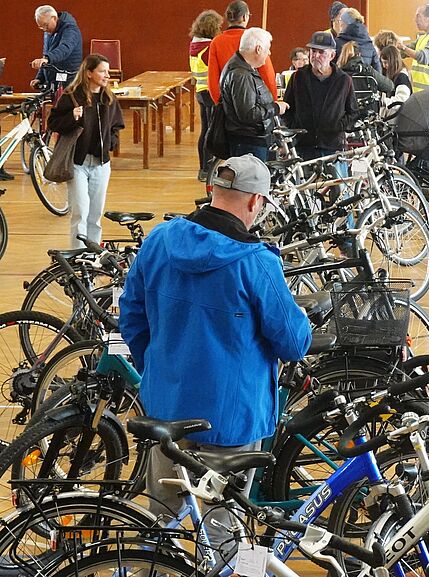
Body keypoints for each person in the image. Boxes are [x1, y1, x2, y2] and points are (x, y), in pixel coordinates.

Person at [119, 154, 312, 559]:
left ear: (213, 191)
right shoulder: (256, 262)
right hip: (231, 420)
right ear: (256, 202)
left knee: (163, 522)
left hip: (165, 411)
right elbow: (293, 343)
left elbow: (132, 317)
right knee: (227, 530)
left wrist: (156, 368)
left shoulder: (159, 240)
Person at [47, 54, 124, 248]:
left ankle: (93, 255)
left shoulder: (109, 98)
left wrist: (111, 143)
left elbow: (117, 125)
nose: (107, 75)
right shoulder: (71, 96)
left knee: (95, 214)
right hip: (77, 163)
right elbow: (53, 123)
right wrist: (71, 117)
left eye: (108, 71)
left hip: (101, 164)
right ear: (89, 73)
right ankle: (78, 257)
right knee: (81, 211)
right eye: (102, 71)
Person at [283, 31, 359, 162]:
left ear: (332, 55)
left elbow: (353, 112)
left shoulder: (343, 80)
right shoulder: (298, 77)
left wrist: (338, 126)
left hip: (332, 147)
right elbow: (287, 107)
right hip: (303, 146)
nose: (316, 55)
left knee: (335, 183)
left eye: (321, 52)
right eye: (313, 51)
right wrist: (295, 126)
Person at [219, 27, 287, 161]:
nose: (269, 53)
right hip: (248, 143)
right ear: (258, 49)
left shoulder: (243, 68)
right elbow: (248, 114)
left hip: (250, 140)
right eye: (267, 48)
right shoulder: (240, 74)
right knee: (252, 181)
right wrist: (276, 108)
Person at [207, 1, 277, 104]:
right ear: (244, 17)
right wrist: (273, 101)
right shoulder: (255, 38)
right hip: (254, 101)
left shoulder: (217, 42)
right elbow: (267, 73)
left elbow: (213, 78)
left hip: (227, 101)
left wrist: (220, 102)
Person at [189, 9, 223, 182]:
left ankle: (203, 167)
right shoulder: (208, 47)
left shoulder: (194, 44)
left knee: (205, 131)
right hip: (210, 93)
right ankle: (207, 168)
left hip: (200, 92)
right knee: (211, 132)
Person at [398, 4, 429, 93]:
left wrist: (403, 48)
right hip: (421, 91)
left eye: (418, 16)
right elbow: (404, 52)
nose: (415, 20)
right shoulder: (422, 38)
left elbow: (424, 57)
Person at [30, 5, 82, 90]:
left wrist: (47, 58)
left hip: (69, 80)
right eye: (41, 27)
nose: (44, 29)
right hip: (53, 81)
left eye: (45, 25)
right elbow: (46, 55)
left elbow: (64, 48)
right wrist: (39, 78)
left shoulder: (70, 29)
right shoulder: (49, 31)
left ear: (54, 18)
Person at [335, 8, 382, 72]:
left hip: (343, 81)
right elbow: (377, 70)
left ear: (346, 23)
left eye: (341, 21)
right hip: (365, 81)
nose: (340, 24)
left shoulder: (337, 43)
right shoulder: (369, 44)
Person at [380, 44, 412, 122]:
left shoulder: (401, 77)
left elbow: (401, 100)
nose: (384, 66)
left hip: (398, 120)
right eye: (382, 63)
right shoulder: (395, 75)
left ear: (393, 61)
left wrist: (383, 101)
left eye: (386, 63)